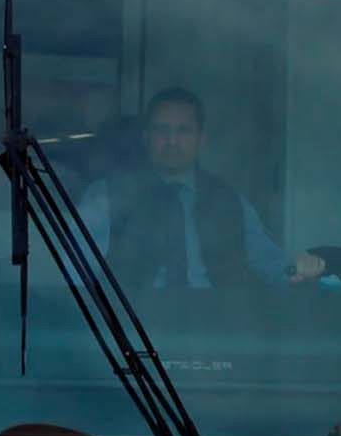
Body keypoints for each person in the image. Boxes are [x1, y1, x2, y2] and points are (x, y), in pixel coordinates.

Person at [78, 87, 326, 289]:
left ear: (201, 139)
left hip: (213, 331)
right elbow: (76, 274)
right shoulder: (106, 196)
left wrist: (298, 270)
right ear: (146, 138)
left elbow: (270, 262)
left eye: (183, 131)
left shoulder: (230, 201)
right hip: (129, 334)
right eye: (162, 130)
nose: (172, 141)